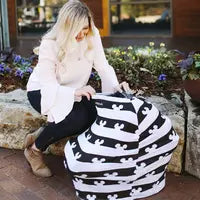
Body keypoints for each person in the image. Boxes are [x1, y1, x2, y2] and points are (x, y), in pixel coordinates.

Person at [24, 0, 132, 178]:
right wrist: (73, 93)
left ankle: (43, 133)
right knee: (76, 119)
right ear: (67, 27)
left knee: (97, 114)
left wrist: (116, 89)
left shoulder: (92, 34)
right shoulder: (49, 44)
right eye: (78, 29)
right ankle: (34, 150)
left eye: (86, 28)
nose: (83, 34)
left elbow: (103, 66)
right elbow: (49, 85)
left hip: (74, 91)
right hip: (42, 91)